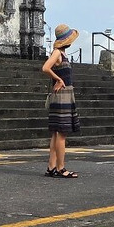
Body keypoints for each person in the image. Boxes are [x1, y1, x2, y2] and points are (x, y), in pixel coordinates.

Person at [42, 23, 81, 177]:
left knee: (56, 133)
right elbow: (45, 68)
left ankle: (51, 167)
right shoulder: (57, 53)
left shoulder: (61, 53)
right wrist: (59, 79)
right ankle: (61, 168)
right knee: (62, 133)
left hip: (65, 95)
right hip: (62, 96)